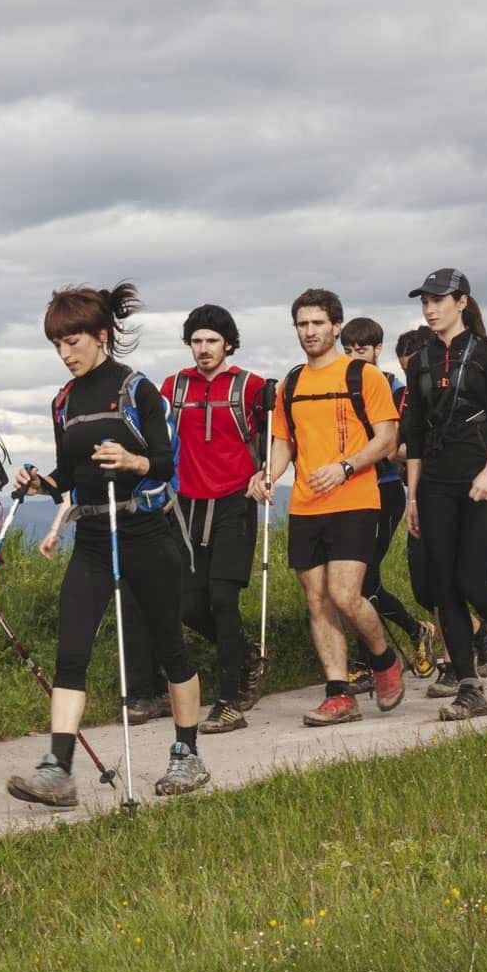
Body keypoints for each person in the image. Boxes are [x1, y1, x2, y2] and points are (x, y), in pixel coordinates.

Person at [8, 282, 210, 806]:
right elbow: (70, 476)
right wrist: (40, 485)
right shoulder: (63, 402)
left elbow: (168, 462)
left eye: (72, 341)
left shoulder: (137, 389)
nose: (65, 353)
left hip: (145, 530)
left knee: (170, 645)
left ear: (100, 336)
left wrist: (132, 462)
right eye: (57, 344)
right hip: (94, 535)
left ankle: (187, 755)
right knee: (70, 650)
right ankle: (58, 769)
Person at [248, 289, 405, 727]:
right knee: (316, 600)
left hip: (355, 498)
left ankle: (383, 659)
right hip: (305, 504)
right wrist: (268, 474)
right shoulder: (292, 383)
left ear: (336, 326)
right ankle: (339, 693)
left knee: (344, 595)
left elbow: (387, 439)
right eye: (302, 324)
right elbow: (284, 441)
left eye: (317, 323)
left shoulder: (364, 376)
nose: (309, 331)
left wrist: (345, 467)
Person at [401, 268, 487, 721]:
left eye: (438, 300)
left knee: (471, 579)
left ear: (461, 302)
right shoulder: (419, 360)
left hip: (485, 482)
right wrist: (412, 499)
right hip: (435, 483)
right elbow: (414, 434)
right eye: (425, 301)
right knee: (443, 587)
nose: (429, 308)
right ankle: (469, 687)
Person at [160, 303, 268, 732]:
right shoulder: (173, 387)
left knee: (223, 600)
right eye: (197, 341)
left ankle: (228, 701)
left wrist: (266, 474)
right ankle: (243, 655)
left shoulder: (251, 387)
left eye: (212, 341)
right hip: (186, 504)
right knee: (187, 604)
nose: (203, 349)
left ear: (228, 343)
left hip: (234, 501)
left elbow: (274, 437)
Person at [341, 316, 438, 676]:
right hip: (347, 493)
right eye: (348, 350)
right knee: (351, 584)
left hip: (384, 491)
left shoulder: (395, 388)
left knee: (364, 582)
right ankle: (370, 659)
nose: (355, 356)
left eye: (361, 350)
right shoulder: (341, 382)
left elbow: (405, 445)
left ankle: (414, 632)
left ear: (377, 349)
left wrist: (382, 450)